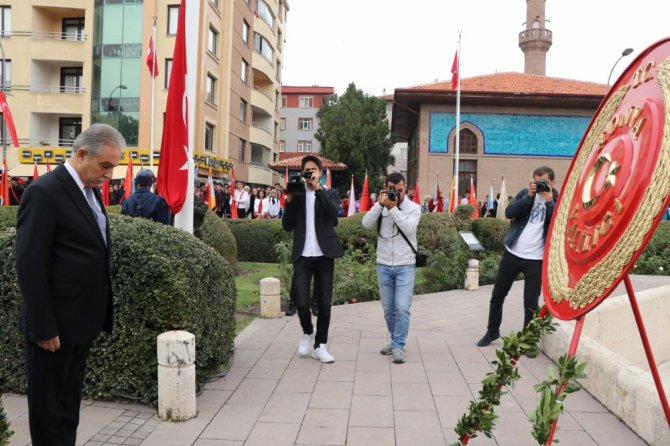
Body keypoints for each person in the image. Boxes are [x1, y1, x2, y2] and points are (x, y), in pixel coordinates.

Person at [15, 123, 124, 446]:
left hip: (80, 324)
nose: (109, 174)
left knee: (68, 408)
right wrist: (44, 326)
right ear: (81, 154)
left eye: (113, 167)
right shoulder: (45, 192)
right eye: (105, 165)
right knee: (48, 412)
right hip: (53, 329)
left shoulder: (88, 192)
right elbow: (30, 264)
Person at [476, 166, 559, 357]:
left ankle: (528, 341)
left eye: (544, 182)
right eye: (537, 181)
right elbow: (508, 213)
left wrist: (549, 203)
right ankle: (492, 331)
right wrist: (528, 197)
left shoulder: (557, 200)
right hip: (512, 253)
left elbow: (559, 222)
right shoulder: (525, 193)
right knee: (497, 295)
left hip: (536, 259)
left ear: (553, 183)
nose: (540, 186)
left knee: (530, 302)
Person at [282, 155, 343, 363]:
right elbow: (287, 225)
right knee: (301, 301)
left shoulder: (329, 192)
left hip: (324, 254)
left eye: (312, 170)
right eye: (305, 171)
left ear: (320, 172)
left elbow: (333, 217)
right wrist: (289, 200)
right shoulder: (296, 194)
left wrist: (318, 190)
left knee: (324, 304)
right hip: (303, 255)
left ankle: (320, 345)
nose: (308, 174)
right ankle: (307, 332)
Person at [362, 172, 421, 364]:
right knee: (388, 309)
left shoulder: (414, 208)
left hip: (405, 265)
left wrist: (393, 209)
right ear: (386, 188)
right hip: (384, 264)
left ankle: (398, 346)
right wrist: (380, 205)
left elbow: (409, 228)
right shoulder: (382, 205)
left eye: (400, 190)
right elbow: (366, 223)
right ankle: (396, 340)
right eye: (392, 190)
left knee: (402, 308)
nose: (397, 193)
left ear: (406, 188)